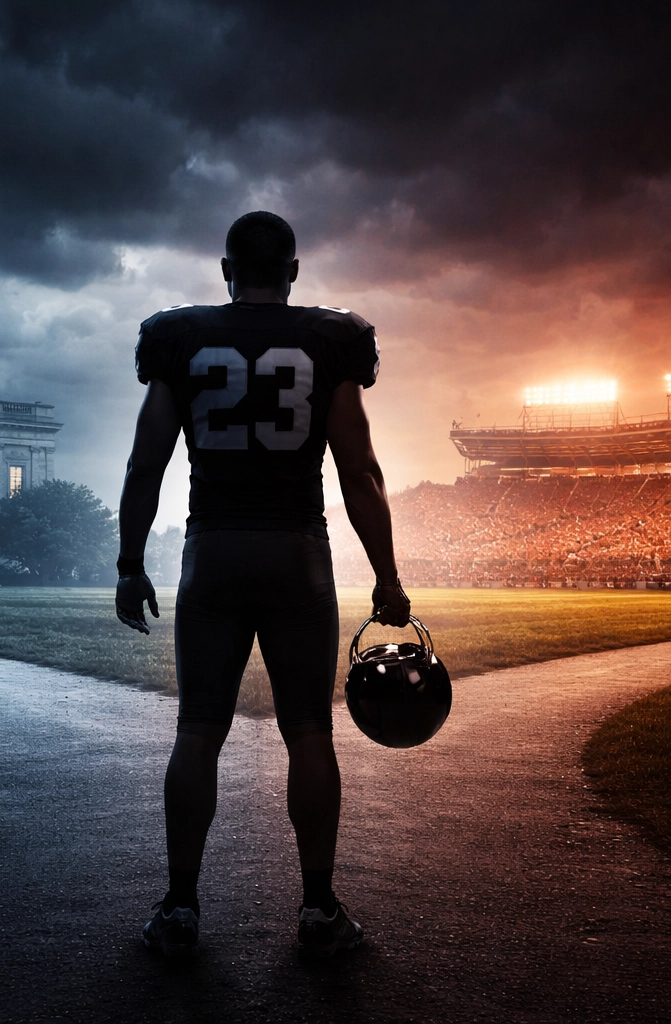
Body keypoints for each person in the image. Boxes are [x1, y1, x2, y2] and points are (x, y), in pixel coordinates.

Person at [115, 210, 411, 957]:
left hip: (213, 548)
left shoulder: (180, 336)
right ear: (294, 272)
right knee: (309, 730)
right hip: (296, 550)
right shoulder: (330, 337)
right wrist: (387, 578)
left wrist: (129, 563)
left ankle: (180, 906)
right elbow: (358, 471)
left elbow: (146, 464)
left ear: (226, 271)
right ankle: (318, 908)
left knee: (197, 730)